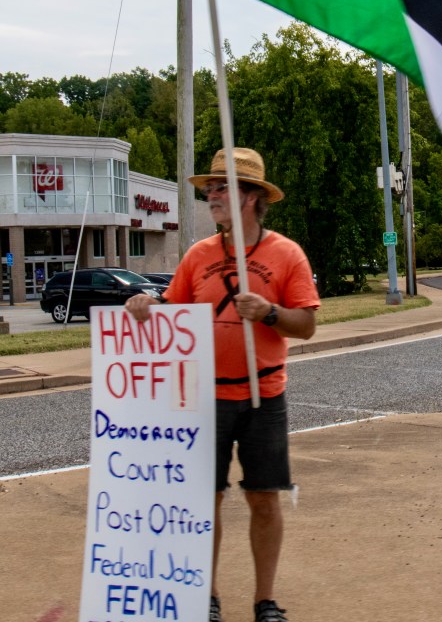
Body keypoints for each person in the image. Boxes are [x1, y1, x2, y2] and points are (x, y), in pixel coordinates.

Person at [125, 148, 319, 622]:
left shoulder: (286, 254)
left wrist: (269, 313)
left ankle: (265, 601)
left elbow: (306, 324)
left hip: (264, 396)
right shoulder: (198, 256)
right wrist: (146, 306)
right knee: (202, 503)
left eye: (222, 187)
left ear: (251, 197)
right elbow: (174, 315)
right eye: (210, 188)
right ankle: (204, 596)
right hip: (203, 398)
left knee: (264, 498)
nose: (211, 194)